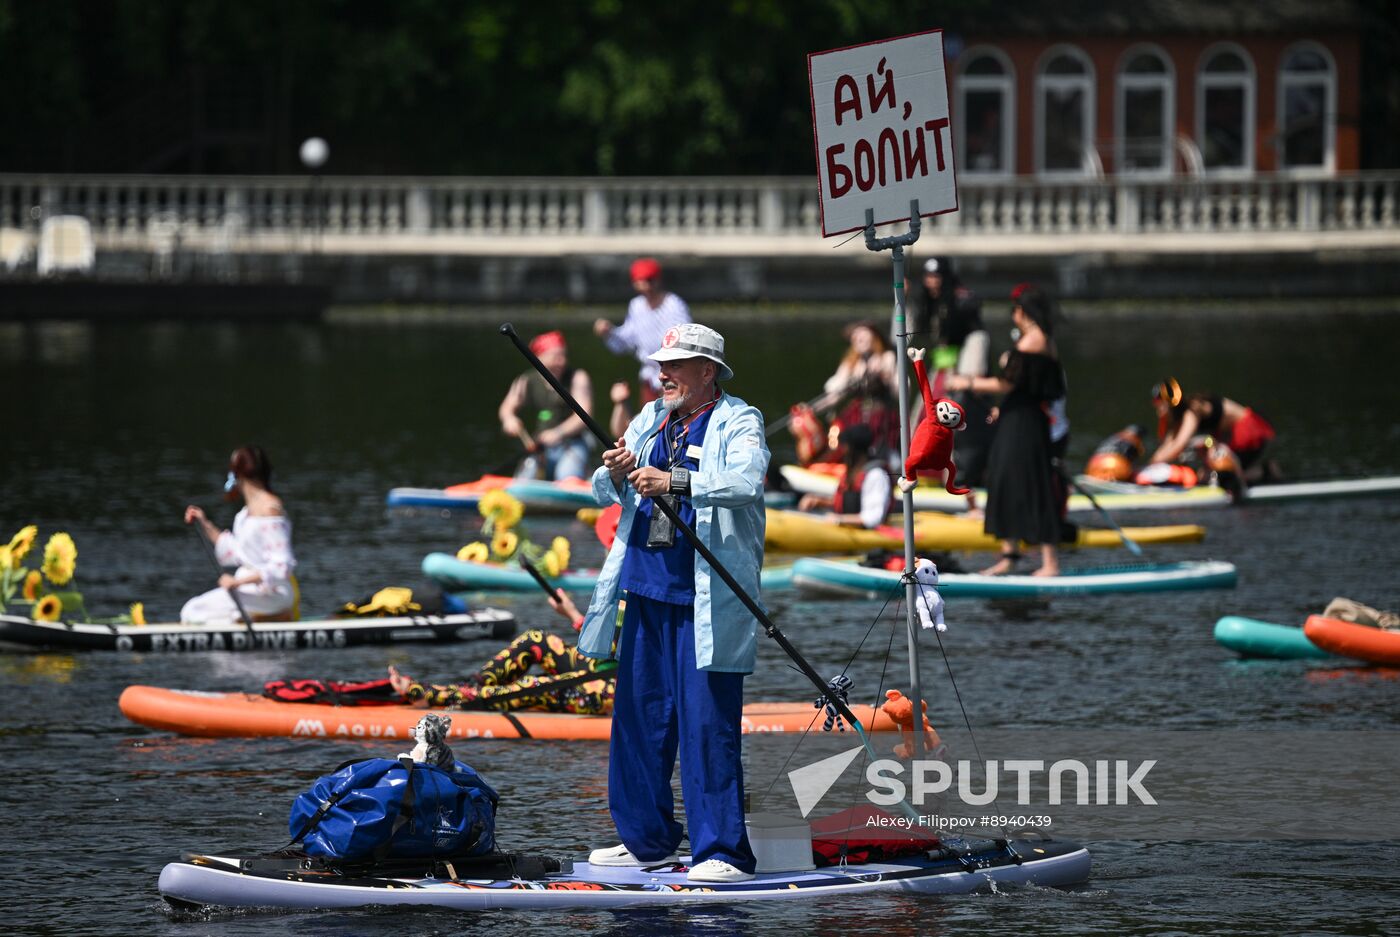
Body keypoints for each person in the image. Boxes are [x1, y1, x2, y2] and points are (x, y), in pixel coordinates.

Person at [582, 322, 766, 884]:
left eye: (676, 363)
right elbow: (600, 489)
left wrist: (676, 481)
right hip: (644, 589)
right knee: (638, 723)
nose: (663, 372)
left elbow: (747, 482)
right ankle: (648, 841)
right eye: (662, 362)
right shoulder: (650, 418)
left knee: (707, 726)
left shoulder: (740, 419)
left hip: (706, 600)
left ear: (706, 371)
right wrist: (613, 473)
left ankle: (723, 852)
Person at [946, 287, 1067, 576]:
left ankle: (1050, 563)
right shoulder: (1035, 340)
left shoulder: (1034, 340)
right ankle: (1009, 555)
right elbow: (1023, 385)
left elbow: (1006, 383)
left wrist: (966, 382)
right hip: (1017, 418)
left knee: (1031, 482)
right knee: (1003, 478)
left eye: (1015, 310)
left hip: (1025, 424)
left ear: (1023, 311)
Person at [388, 589, 614, 714]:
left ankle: (429, 695)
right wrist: (574, 615)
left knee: (536, 686)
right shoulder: (625, 578)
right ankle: (470, 689)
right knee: (535, 640)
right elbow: (615, 643)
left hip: (617, 689)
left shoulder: (644, 580)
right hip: (604, 665)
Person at [182, 446, 298, 623]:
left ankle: (276, 615)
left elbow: (282, 565)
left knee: (193, 612)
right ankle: (257, 619)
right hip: (252, 591)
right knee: (195, 612)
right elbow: (236, 551)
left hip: (273, 592)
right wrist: (203, 523)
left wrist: (237, 583)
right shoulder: (245, 514)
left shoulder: (270, 509)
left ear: (237, 473)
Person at [793, 320, 900, 465]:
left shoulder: (887, 357)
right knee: (843, 439)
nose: (857, 339)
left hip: (881, 418)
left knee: (881, 452)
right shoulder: (851, 363)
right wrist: (811, 408)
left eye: (862, 334)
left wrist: (886, 374)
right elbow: (834, 396)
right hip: (857, 417)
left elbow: (899, 389)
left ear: (874, 335)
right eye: (854, 337)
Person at [594, 257, 692, 403]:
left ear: (658, 281)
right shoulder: (636, 305)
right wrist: (608, 332)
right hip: (649, 377)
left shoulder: (674, 304)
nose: (646, 287)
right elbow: (625, 342)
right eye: (641, 282)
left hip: (675, 376)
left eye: (649, 281)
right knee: (649, 423)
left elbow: (687, 340)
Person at [499, 330, 594, 480]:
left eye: (563, 355)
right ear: (539, 357)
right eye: (556, 356)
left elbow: (584, 416)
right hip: (540, 448)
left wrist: (558, 432)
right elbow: (507, 408)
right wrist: (509, 420)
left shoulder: (577, 377)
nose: (561, 361)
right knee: (526, 477)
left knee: (567, 475)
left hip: (572, 445)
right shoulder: (526, 380)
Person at [1147, 377, 1277, 480]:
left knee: (1218, 474)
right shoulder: (1179, 417)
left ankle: (1265, 471)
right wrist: (1150, 466)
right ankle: (1252, 473)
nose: (1159, 412)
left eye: (1161, 406)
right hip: (1229, 435)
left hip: (1247, 432)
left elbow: (1179, 444)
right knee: (1204, 474)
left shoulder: (1192, 411)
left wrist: (1149, 469)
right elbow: (1168, 444)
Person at [796, 423, 894, 529]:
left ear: (853, 449)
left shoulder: (876, 475)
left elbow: (873, 518)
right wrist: (819, 501)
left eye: (845, 446)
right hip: (849, 530)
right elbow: (848, 503)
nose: (842, 451)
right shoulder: (851, 473)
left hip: (869, 538)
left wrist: (839, 519)